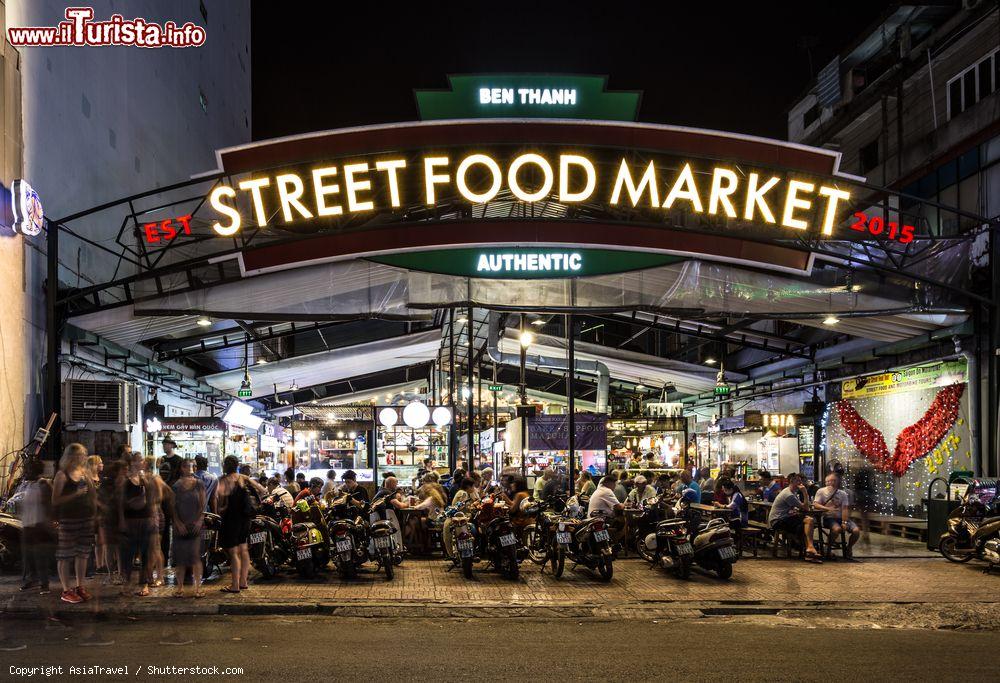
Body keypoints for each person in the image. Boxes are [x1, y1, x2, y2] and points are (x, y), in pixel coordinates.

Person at [51, 443, 96, 604]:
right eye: (80, 454)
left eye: (84, 454)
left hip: (86, 518)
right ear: (71, 456)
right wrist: (75, 494)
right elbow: (55, 500)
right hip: (69, 519)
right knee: (65, 555)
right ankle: (66, 589)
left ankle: (80, 586)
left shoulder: (85, 473)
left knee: (82, 554)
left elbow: (92, 495)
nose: (83, 457)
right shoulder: (62, 475)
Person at [213, 455, 260, 594]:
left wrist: (221, 508)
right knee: (244, 550)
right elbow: (262, 489)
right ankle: (243, 582)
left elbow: (220, 495)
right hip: (245, 519)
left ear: (225, 465)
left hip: (231, 519)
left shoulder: (224, 480)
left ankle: (234, 585)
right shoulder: (243, 478)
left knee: (233, 552)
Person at [118, 451, 153, 596]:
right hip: (130, 519)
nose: (142, 463)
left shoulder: (145, 478)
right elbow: (120, 502)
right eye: (139, 460)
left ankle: (144, 584)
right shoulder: (125, 480)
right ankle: (126, 583)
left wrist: (152, 516)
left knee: (145, 552)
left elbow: (150, 499)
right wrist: (121, 520)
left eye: (142, 460)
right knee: (129, 553)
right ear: (132, 463)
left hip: (144, 518)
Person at [170, 459, 206, 597]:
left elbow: (203, 504)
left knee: (195, 557)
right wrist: (178, 522)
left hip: (195, 525)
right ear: (182, 468)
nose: (190, 469)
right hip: (181, 526)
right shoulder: (176, 486)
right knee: (180, 558)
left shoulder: (199, 484)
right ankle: (179, 588)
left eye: (192, 466)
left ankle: (198, 588)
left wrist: (199, 520)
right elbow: (173, 507)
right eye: (187, 466)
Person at [767, 473, 822, 562]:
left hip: (782, 518)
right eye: (798, 480)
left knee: (807, 522)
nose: (801, 483)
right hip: (777, 521)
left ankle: (809, 551)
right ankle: (809, 550)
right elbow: (806, 508)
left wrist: (794, 511)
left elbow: (797, 508)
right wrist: (805, 492)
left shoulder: (791, 492)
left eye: (801, 480)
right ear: (792, 481)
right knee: (808, 522)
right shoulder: (789, 494)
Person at [19, 459, 53, 595]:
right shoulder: (24, 485)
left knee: (40, 555)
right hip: (26, 524)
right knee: (28, 555)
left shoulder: (43, 484)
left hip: (40, 524)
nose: (26, 472)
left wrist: (50, 521)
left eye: (28, 470)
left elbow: (50, 504)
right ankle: (32, 579)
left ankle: (45, 583)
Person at [812, 474, 861, 559]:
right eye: (829, 481)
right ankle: (828, 548)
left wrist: (844, 522)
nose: (832, 483)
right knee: (836, 529)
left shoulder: (842, 493)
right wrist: (827, 508)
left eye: (834, 480)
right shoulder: (821, 491)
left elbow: (845, 509)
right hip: (829, 517)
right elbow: (815, 504)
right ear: (826, 482)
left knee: (856, 531)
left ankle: (849, 547)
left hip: (841, 517)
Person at [96, 459, 126, 582]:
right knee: (110, 547)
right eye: (123, 470)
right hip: (109, 518)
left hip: (117, 518)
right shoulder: (108, 484)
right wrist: (104, 508)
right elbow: (98, 498)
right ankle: (111, 574)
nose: (125, 472)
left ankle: (119, 574)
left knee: (119, 547)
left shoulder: (123, 483)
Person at [157, 438, 183, 566]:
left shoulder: (178, 460)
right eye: (163, 444)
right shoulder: (161, 459)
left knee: (177, 527)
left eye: (165, 444)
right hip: (163, 498)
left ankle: (176, 558)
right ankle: (164, 557)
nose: (164, 446)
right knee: (164, 528)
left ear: (172, 445)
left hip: (174, 497)